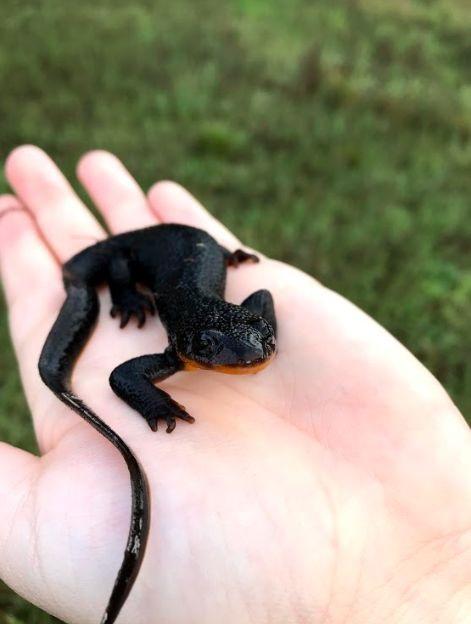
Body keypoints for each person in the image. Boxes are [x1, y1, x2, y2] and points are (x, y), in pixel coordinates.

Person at [0, 145, 469, 624]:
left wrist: (260, 333)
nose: (248, 360)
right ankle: (123, 287)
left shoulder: (235, 330)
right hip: (136, 257)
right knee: (118, 268)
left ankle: (205, 262)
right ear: (187, 345)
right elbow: (124, 377)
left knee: (195, 270)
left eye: (258, 344)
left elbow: (261, 298)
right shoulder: (179, 348)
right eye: (216, 351)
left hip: (195, 248)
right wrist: (154, 397)